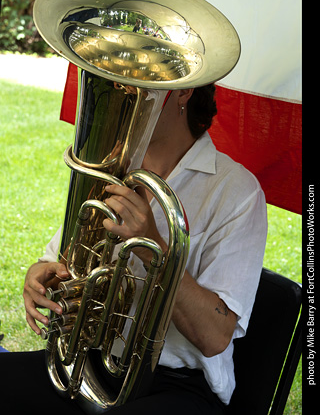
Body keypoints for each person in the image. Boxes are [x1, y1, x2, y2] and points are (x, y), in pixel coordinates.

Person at [0, 84, 267, 415]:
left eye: (141, 87)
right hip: (86, 361)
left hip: (178, 384)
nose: (124, 94)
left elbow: (215, 337)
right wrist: (40, 278)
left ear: (184, 93)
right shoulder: (111, 167)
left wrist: (152, 243)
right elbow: (63, 262)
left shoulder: (237, 191)